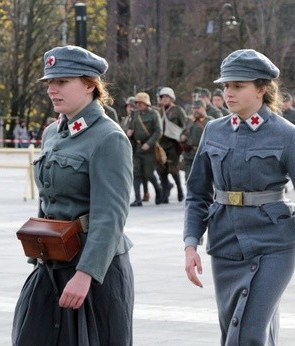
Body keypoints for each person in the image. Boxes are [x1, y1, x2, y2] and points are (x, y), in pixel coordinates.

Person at [13, 45, 134, 345]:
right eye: (50, 83)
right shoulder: (52, 134)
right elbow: (47, 203)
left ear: (90, 84)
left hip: (95, 269)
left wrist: (86, 274)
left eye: (62, 81)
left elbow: (110, 216)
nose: (53, 89)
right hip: (52, 263)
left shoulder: (109, 138)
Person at [184, 49, 295, 345]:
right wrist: (191, 243)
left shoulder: (288, 135)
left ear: (261, 89)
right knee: (234, 331)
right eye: (226, 86)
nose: (228, 92)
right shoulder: (213, 131)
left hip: (273, 245)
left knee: (248, 334)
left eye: (238, 86)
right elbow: (197, 193)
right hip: (225, 243)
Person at [127, 91, 164, 206]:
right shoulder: (135, 114)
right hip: (137, 147)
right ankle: (137, 199)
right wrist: (129, 132)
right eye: (137, 103)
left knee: (149, 174)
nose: (138, 105)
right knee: (136, 173)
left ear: (146, 103)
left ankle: (159, 192)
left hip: (149, 149)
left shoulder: (154, 114)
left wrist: (149, 143)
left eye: (141, 103)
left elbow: (158, 131)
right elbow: (131, 127)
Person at [157, 87, 186, 202]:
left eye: (166, 97)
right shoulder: (158, 110)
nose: (164, 99)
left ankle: (180, 191)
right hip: (160, 145)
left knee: (173, 170)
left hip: (173, 144)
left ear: (171, 98)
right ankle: (165, 194)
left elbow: (184, 125)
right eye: (162, 97)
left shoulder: (177, 110)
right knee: (161, 171)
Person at [179, 99, 212, 180]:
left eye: (198, 108)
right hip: (189, 156)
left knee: (202, 181)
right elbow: (181, 134)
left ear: (204, 108)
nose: (196, 110)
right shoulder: (189, 121)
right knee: (189, 180)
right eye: (194, 108)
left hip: (203, 156)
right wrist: (182, 138)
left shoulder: (210, 122)